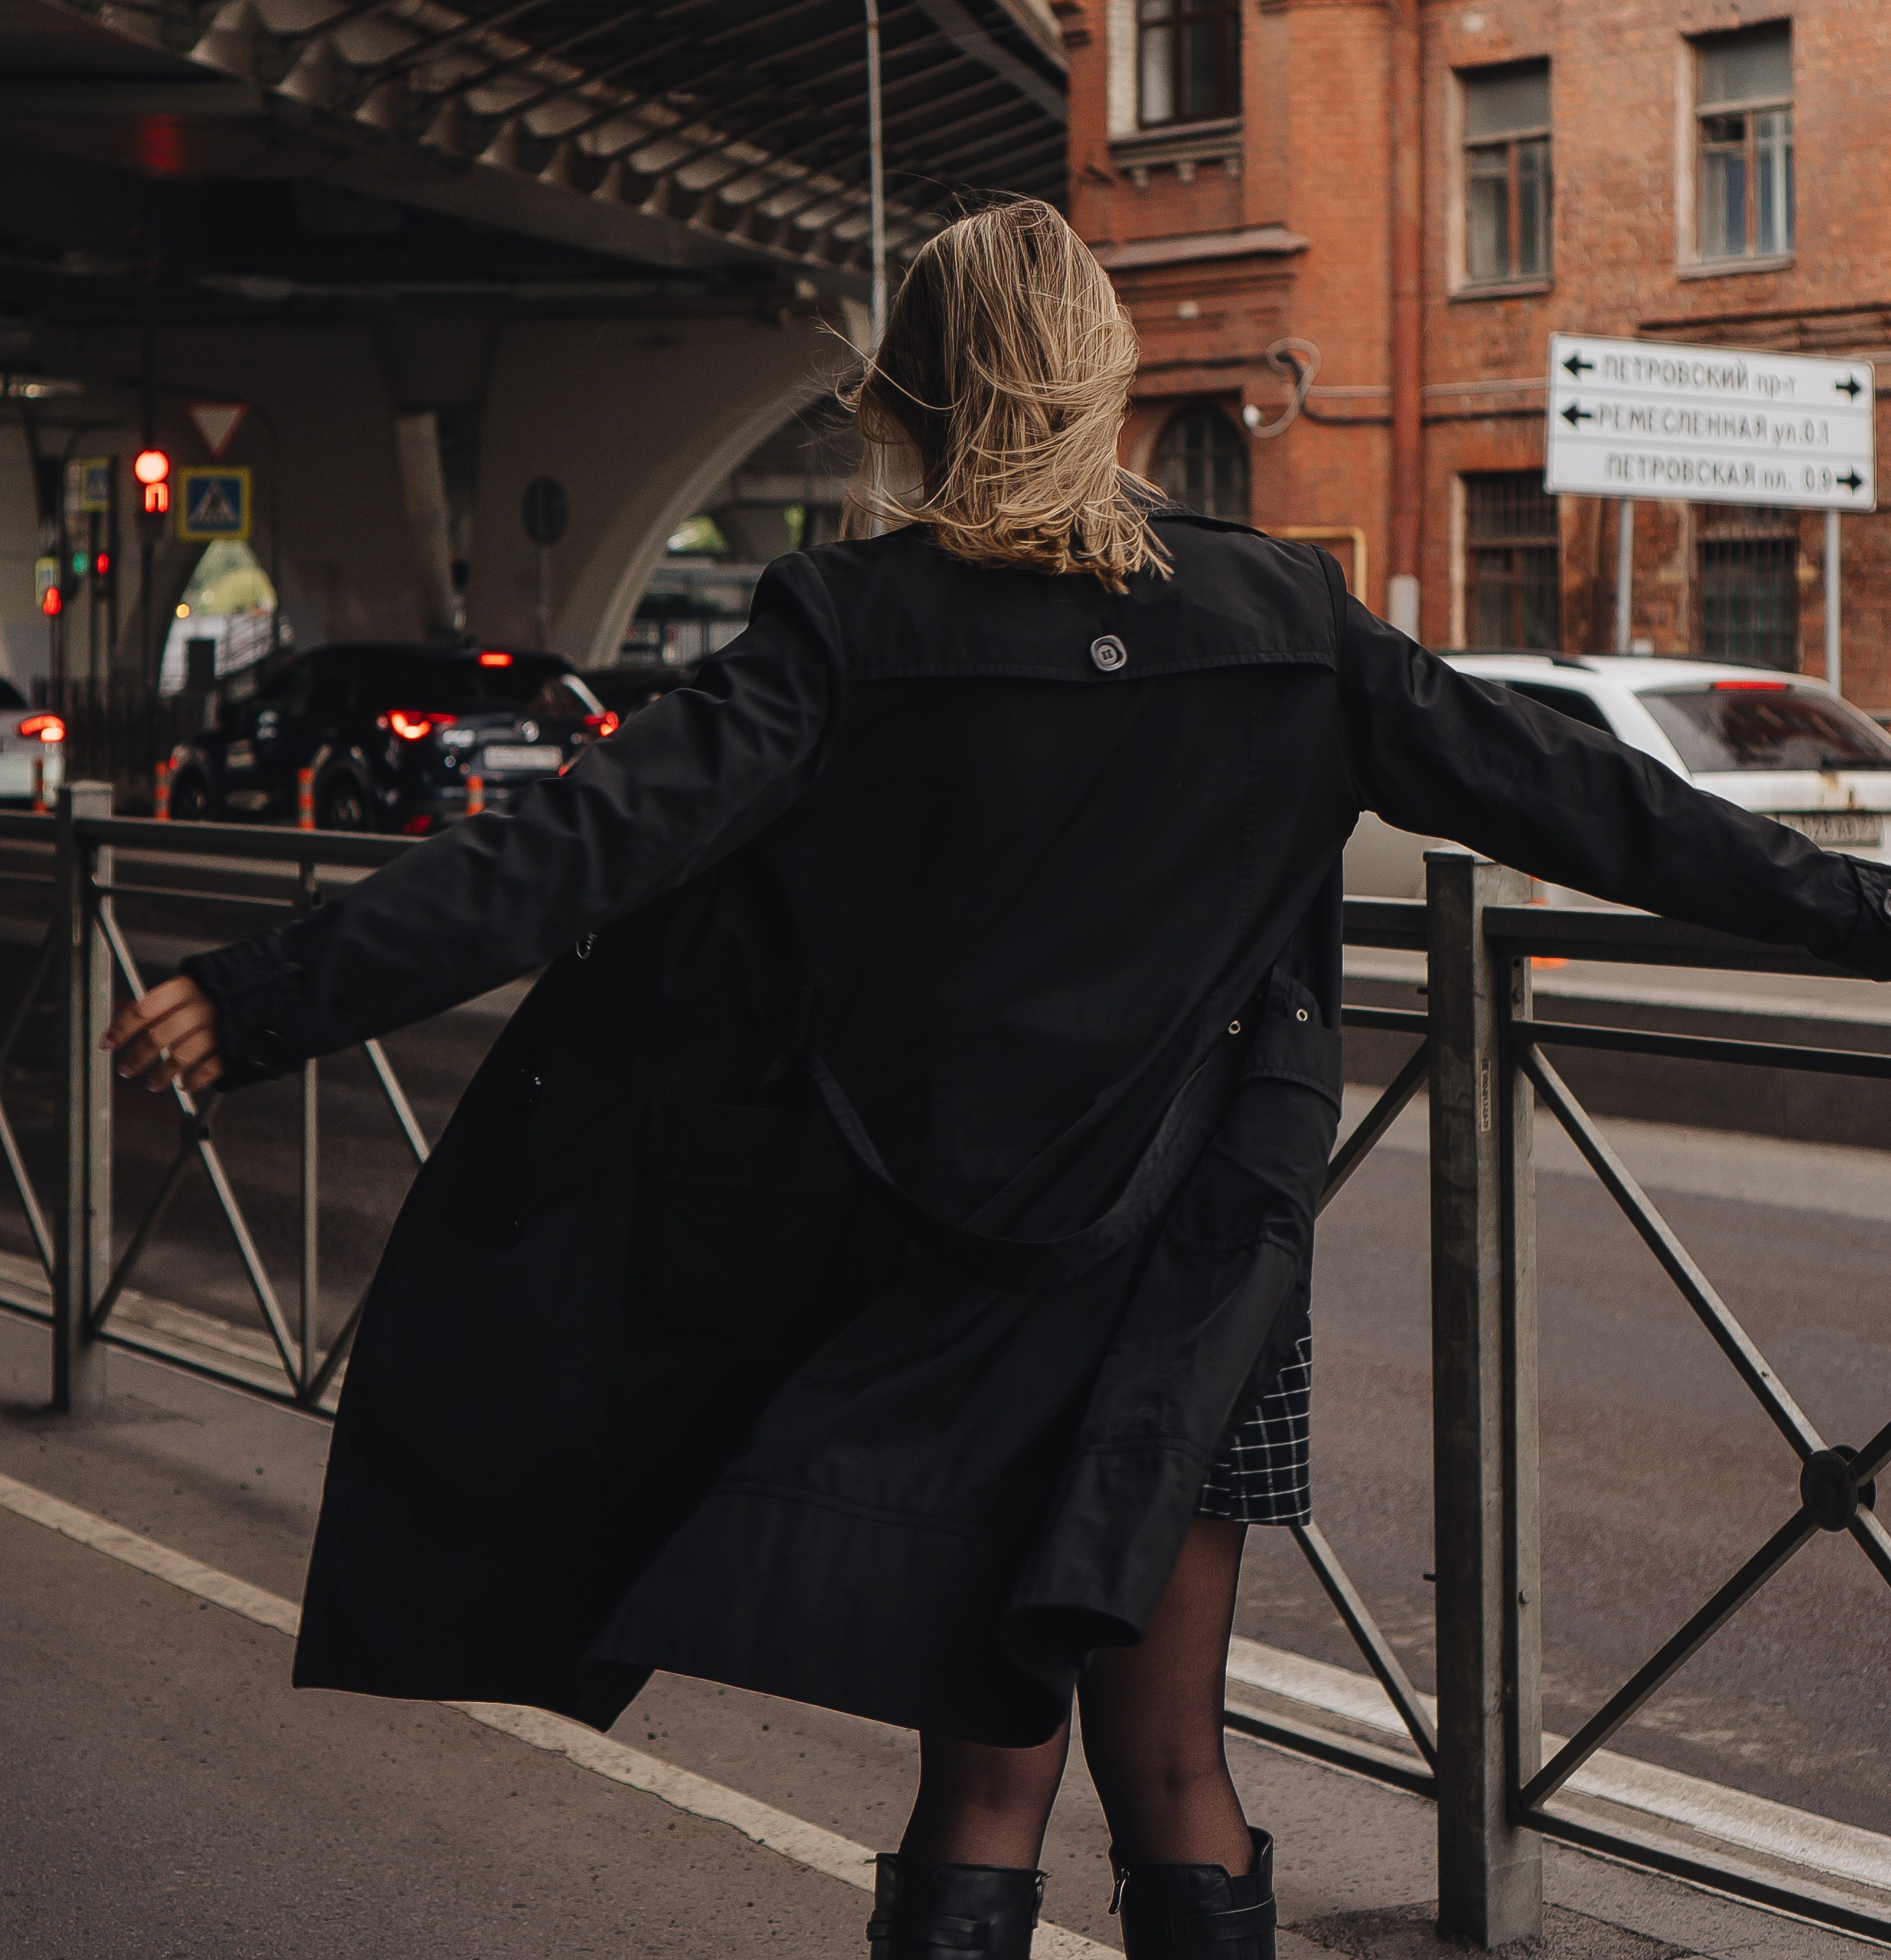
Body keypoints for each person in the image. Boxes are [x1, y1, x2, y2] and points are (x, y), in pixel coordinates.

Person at [109, 200, 1891, 1960]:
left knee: (982, 1778)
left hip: (932, 1262)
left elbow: (582, 848)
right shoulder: (1285, 618)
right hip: (1197, 1274)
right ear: (1109, 388)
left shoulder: (845, 623)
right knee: (1176, 1757)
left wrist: (264, 997)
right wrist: (1869, 912)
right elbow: (1601, 809)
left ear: (906, 395)